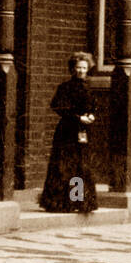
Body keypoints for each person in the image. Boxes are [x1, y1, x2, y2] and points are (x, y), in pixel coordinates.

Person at [39, 52, 99, 213]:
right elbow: (58, 106)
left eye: (84, 68)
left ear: (88, 69)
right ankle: (63, 202)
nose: (81, 70)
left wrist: (91, 115)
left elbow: (93, 106)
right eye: (78, 67)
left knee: (81, 167)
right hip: (67, 132)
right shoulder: (64, 87)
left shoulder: (89, 88)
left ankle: (77, 201)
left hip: (83, 132)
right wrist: (78, 118)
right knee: (65, 166)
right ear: (73, 68)